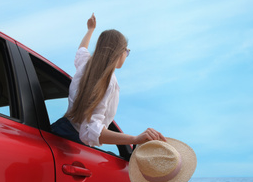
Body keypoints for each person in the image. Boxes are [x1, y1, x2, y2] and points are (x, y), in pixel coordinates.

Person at [51, 13, 166, 147]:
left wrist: (90, 30)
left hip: (57, 130)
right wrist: (135, 139)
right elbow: (89, 131)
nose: (126, 55)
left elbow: (81, 50)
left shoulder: (86, 65)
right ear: (120, 52)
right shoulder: (109, 82)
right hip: (70, 144)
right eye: (127, 51)